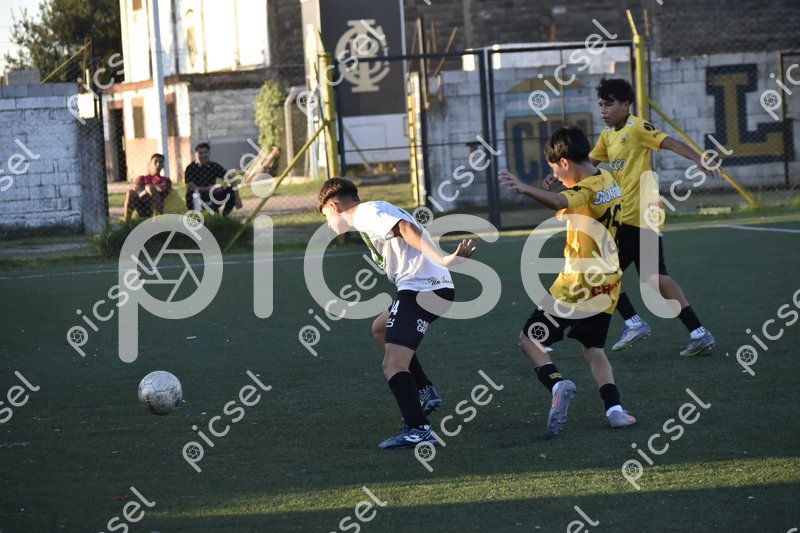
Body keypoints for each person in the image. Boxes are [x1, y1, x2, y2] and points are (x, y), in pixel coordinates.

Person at [317, 177, 476, 449]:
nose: (328, 224)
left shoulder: (364, 213)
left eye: (326, 217)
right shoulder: (371, 211)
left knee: (392, 365)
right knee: (380, 329)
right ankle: (424, 389)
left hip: (422, 290)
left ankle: (419, 429)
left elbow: (406, 228)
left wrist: (443, 258)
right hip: (426, 288)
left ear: (335, 207)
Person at [499, 126, 636, 436]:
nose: (556, 177)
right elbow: (569, 196)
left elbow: (561, 201)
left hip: (576, 285)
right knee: (594, 349)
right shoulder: (608, 180)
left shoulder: (583, 192)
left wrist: (525, 189)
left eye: (555, 170)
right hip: (608, 284)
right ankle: (615, 410)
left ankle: (557, 384)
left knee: (530, 339)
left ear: (564, 162)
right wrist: (560, 186)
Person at [582, 78, 716, 356]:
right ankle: (698, 332)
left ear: (626, 104)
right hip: (638, 217)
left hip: (635, 215)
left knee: (599, 273)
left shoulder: (637, 127)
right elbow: (588, 166)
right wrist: (560, 174)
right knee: (655, 277)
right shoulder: (608, 136)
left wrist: (698, 158)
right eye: (601, 105)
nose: (603, 110)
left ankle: (633, 322)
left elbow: (670, 143)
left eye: (609, 104)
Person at [184, 142, 242, 215]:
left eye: (205, 152)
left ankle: (225, 217)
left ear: (209, 153)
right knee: (211, 216)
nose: (203, 155)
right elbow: (191, 188)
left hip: (211, 194)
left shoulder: (213, 166)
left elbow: (232, 179)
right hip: (196, 198)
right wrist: (210, 189)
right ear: (196, 154)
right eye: (200, 153)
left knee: (231, 191)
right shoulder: (191, 168)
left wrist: (237, 198)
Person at [122, 153, 171, 222]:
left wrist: (147, 187)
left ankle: (156, 220)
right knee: (130, 192)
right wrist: (153, 187)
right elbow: (137, 189)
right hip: (141, 203)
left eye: (161, 162)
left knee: (149, 187)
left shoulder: (165, 180)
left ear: (163, 165)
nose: (158, 164)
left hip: (156, 205)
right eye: (155, 162)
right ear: (150, 164)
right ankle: (126, 222)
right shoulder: (142, 178)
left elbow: (162, 189)